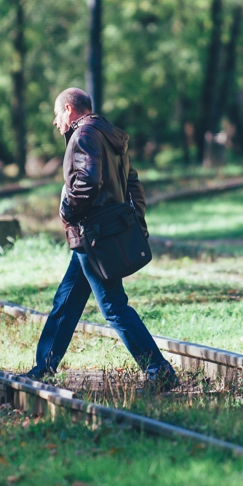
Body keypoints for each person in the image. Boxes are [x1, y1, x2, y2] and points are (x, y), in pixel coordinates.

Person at [24, 88, 179, 389]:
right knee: (66, 301)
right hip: (99, 234)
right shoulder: (110, 135)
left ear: (69, 109)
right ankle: (44, 366)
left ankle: (159, 370)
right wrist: (137, 220)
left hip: (92, 234)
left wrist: (67, 211)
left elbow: (86, 181)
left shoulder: (83, 136)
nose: (56, 123)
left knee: (113, 306)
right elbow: (132, 181)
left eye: (57, 115)